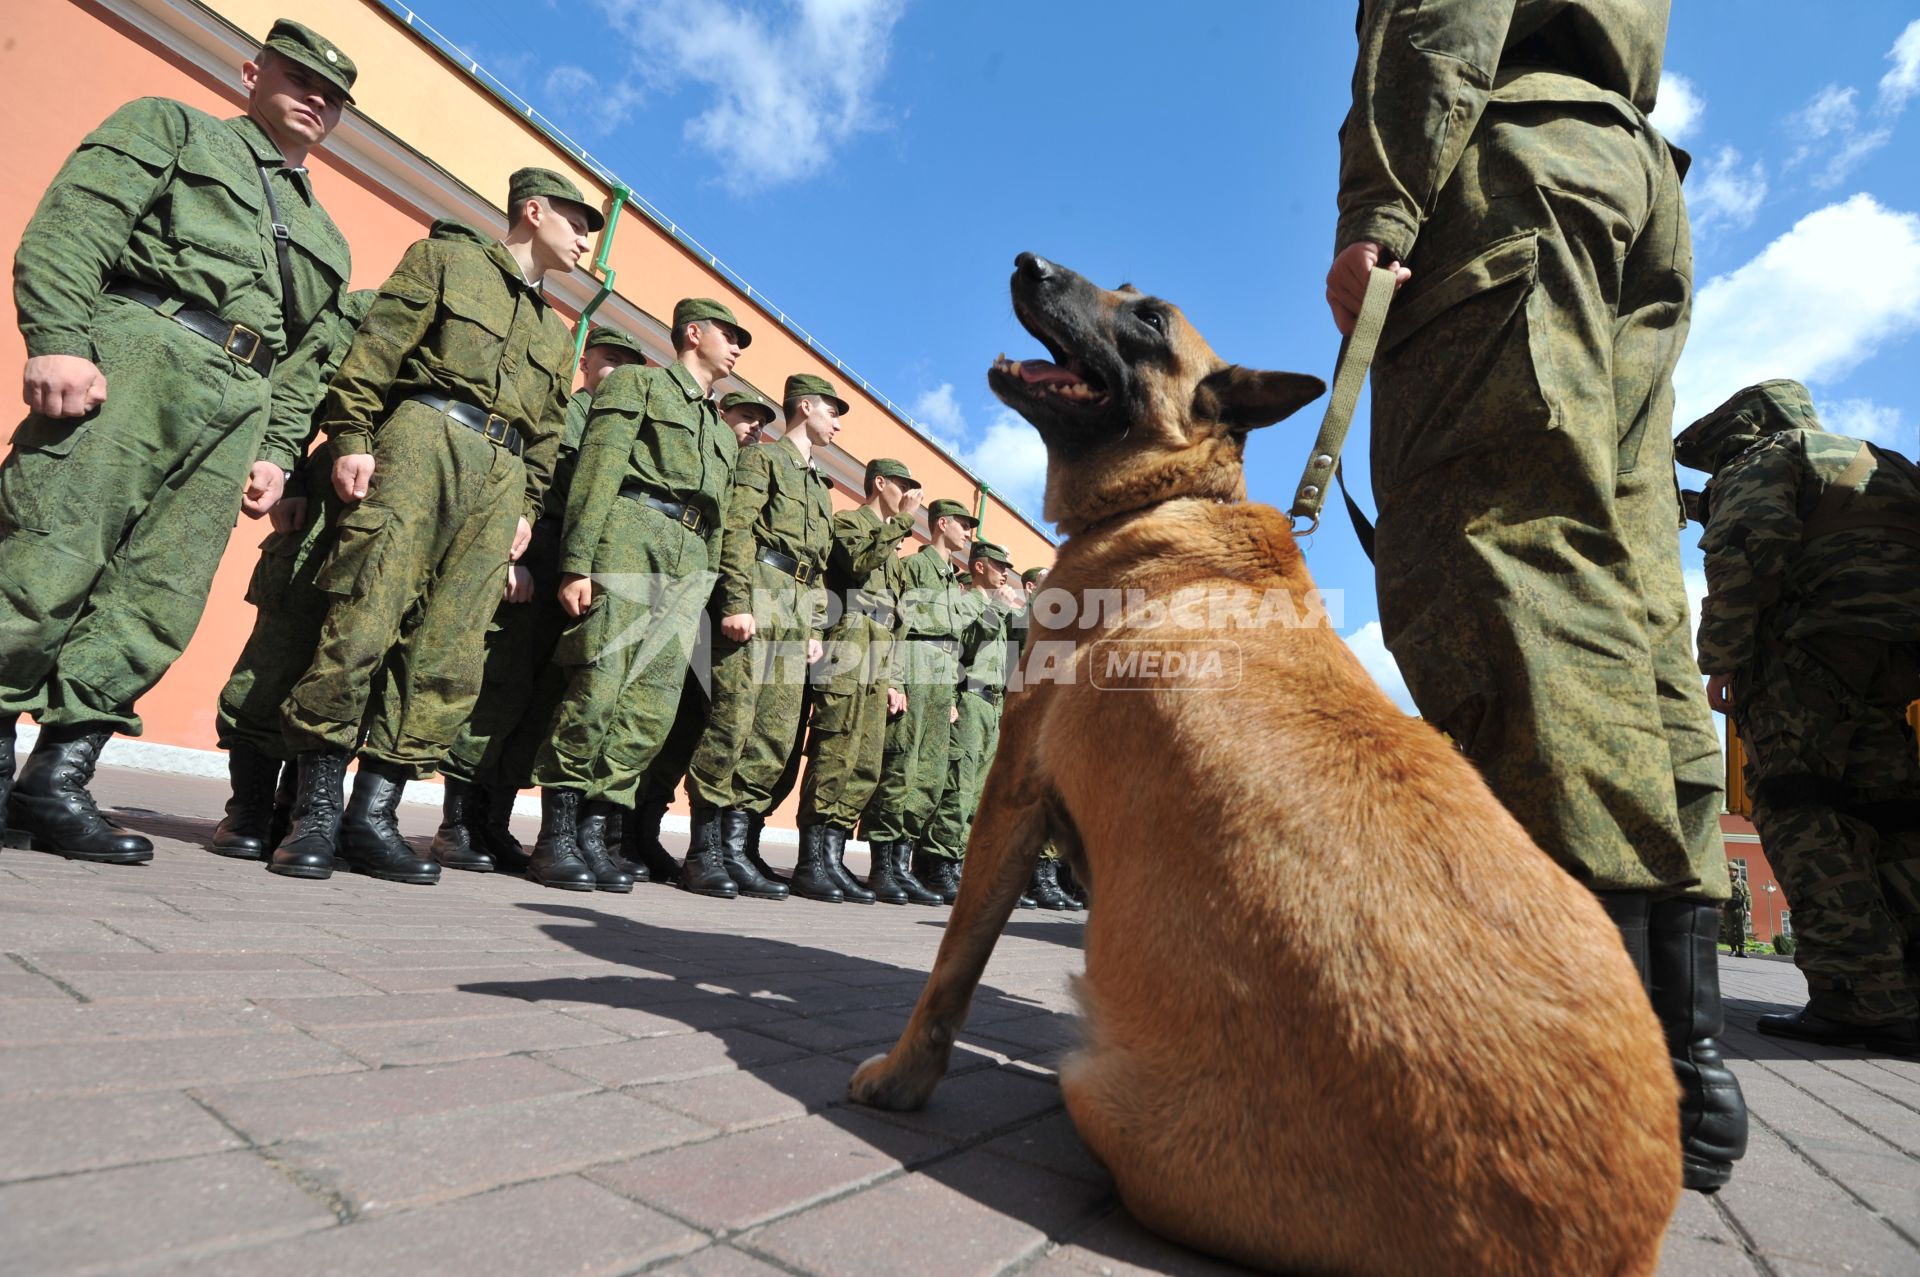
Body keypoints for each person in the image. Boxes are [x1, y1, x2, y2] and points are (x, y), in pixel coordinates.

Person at [1326, 0, 1746, 1189]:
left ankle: (1573, 1063)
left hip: (1513, 157)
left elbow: (1441, 15)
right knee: (1627, 581)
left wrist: (1381, 206)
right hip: (1628, 175)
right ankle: (1680, 1048)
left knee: (1500, 548)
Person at [3, 20, 356, 863]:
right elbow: (78, 221)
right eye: (298, 76)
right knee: (47, 552)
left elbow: (308, 361)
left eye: (333, 95)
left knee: (159, 593)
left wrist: (275, 445)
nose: (316, 98)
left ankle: (57, 779)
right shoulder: (171, 125)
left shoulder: (331, 241)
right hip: (138, 353)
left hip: (239, 405)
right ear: (249, 70)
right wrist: (58, 336)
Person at [267, 167, 593, 885]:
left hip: (500, 477)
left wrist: (524, 508)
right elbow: (375, 350)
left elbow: (544, 437)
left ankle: (372, 815)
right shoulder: (447, 259)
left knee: (448, 652)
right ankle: (313, 813)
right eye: (577, 224)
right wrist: (351, 435)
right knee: (364, 615)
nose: (586, 245)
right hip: (423, 439)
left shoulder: (554, 330)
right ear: (532, 211)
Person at [1678, 379, 1920, 1056]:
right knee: (1894, 814)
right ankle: (1908, 992)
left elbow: (1746, 548)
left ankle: (1858, 999)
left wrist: (1721, 658)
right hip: (1895, 657)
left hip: (1802, 656)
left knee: (1801, 807)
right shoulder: (1880, 460)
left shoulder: (1766, 457)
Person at [526, 298, 746, 893]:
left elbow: (721, 522)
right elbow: (599, 470)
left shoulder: (722, 438)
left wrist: (710, 590)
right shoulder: (639, 385)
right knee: (599, 684)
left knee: (649, 709)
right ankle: (557, 837)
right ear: (692, 334)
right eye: (729, 335)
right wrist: (578, 562)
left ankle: (597, 835)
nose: (737, 348)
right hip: (630, 534)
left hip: (689, 560)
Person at [428, 325, 647, 878]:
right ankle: (456, 824)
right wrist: (514, 559)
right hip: (537, 556)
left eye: (630, 366)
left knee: (543, 706)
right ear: (585, 363)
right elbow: (527, 482)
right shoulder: (564, 415)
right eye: (609, 361)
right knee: (497, 692)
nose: (618, 374)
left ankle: (495, 823)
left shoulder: (622, 433)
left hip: (581, 577)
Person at [210, 287, 377, 859]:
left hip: (392, 511)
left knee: (348, 669)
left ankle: (298, 810)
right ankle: (248, 809)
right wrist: (293, 476)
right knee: (277, 657)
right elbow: (308, 387)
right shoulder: (367, 310)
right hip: (324, 505)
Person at [682, 374, 843, 901]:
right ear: (804, 408)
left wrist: (817, 627)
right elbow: (737, 530)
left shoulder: (819, 488)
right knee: (733, 721)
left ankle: (735, 848)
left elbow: (817, 569)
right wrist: (735, 600)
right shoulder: (764, 461)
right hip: (762, 591)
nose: (836, 423)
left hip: (796, 612)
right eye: (831, 411)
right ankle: (704, 852)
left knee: (772, 736)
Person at [619, 388, 777, 883]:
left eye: (759, 421)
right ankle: (619, 833)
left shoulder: (751, 468)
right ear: (721, 414)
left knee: (687, 726)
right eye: (745, 416)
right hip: (687, 595)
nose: (753, 427)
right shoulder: (708, 458)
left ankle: (644, 831)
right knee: (649, 711)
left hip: (715, 607)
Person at [794, 457, 923, 904]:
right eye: (903, 485)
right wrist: (902, 521)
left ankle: (831, 858)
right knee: (834, 752)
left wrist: (893, 679)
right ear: (880, 483)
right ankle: (810, 862)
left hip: (876, 654)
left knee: (864, 763)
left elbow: (897, 618)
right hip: (847, 645)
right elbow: (857, 560)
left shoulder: (896, 552)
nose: (909, 495)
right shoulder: (850, 522)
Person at [860, 497, 996, 904]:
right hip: (916, 668)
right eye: (962, 524)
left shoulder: (952, 578)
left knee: (931, 777)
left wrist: (952, 695)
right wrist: (895, 679)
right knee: (903, 766)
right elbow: (905, 625)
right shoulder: (917, 567)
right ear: (940, 525)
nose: (968, 533)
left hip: (940, 680)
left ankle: (901, 865)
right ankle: (882, 866)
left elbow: (955, 644)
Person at [919, 540, 1021, 889]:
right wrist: (998, 611)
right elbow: (966, 645)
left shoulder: (1000, 606)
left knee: (979, 792)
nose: (1005, 572)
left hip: (994, 705)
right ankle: (939, 862)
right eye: (998, 565)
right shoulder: (966, 599)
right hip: (970, 698)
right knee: (959, 787)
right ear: (979, 566)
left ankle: (959, 859)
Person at [1722, 875, 1750, 960]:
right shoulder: (1725, 882)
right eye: (1730, 870)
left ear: (1736, 872)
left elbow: (1748, 895)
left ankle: (1741, 951)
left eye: (1734, 870)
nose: (1732, 872)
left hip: (1739, 908)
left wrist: (1748, 909)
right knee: (1729, 930)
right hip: (1727, 909)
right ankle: (1733, 950)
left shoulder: (1742, 883)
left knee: (1741, 929)